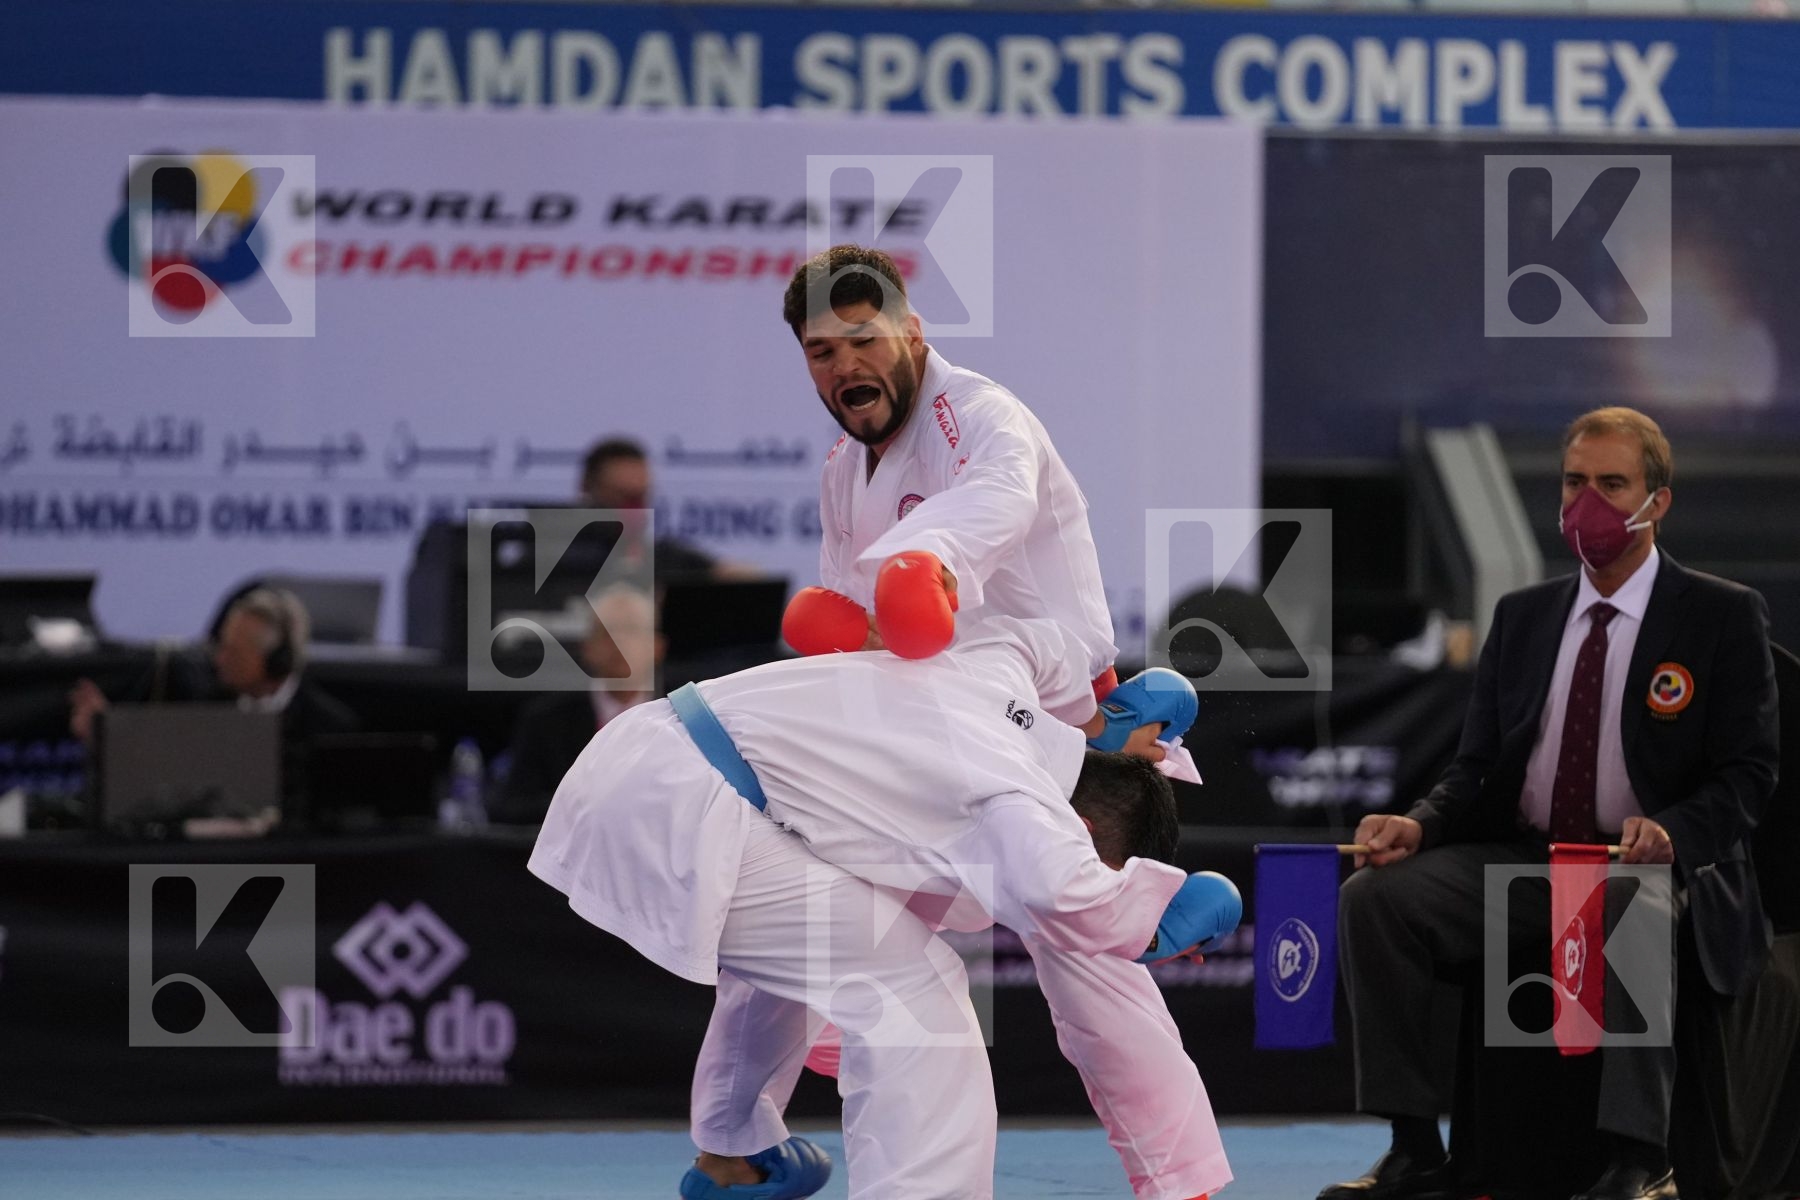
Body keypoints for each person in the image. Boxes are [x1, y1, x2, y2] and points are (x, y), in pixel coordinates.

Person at [682, 243, 1220, 1200]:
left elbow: (993, 506)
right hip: (931, 745)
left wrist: (922, 569)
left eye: (863, 337)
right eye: (820, 351)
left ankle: (1184, 1187)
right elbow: (862, 623)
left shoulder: (981, 416)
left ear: (912, 331)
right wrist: (848, 626)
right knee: (806, 915)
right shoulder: (844, 470)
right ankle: (734, 1147)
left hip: (1058, 737)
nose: (844, 364)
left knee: (1092, 975)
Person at [528, 616, 1240, 1200]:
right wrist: (1165, 915)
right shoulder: (1020, 800)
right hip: (689, 805)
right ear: (1081, 834)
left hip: (652, 762)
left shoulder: (998, 668)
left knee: (827, 954)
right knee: (914, 994)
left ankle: (732, 1155)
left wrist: (1102, 716)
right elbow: (1073, 898)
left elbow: (1051, 633)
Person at [1320, 407, 1779, 1200]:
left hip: (1655, 869)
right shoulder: (1524, 616)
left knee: (1632, 902)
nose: (1587, 503)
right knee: (1377, 899)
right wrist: (1419, 823)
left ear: (1656, 501)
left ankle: (1640, 1161)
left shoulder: (1719, 615)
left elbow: (1749, 775)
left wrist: (1671, 831)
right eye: (1575, 482)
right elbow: (1474, 770)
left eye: (1611, 484)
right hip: (1530, 858)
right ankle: (1414, 1146)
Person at [69, 586, 359, 818]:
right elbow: (165, 777)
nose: (219, 660)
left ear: (275, 663)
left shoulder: (329, 728)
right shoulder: (209, 705)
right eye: (220, 647)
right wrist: (107, 735)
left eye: (233, 653)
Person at [490, 584, 663, 825]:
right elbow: (511, 810)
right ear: (587, 648)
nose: (619, 643)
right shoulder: (545, 720)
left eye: (631, 630)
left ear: (657, 647)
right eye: (607, 633)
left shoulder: (686, 719)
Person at [579, 436, 718, 583]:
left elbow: (729, 574)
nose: (634, 508)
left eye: (641, 496)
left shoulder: (664, 557)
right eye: (622, 496)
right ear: (587, 488)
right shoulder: (560, 555)